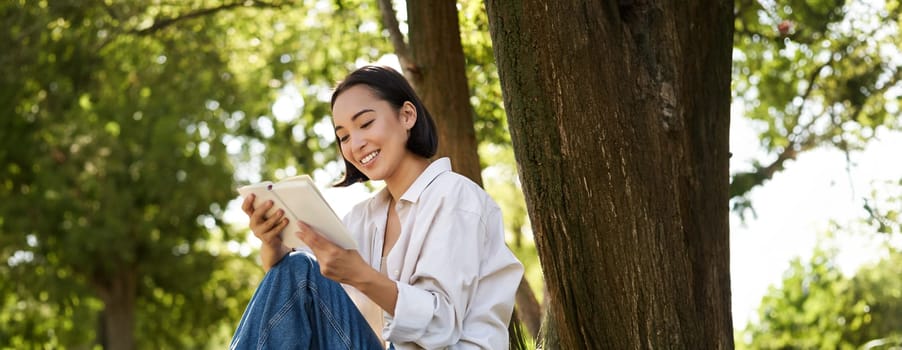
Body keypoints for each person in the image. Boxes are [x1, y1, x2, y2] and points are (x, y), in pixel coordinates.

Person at [230, 65, 524, 349]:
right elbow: (296, 297)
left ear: (407, 115)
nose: (355, 144)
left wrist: (360, 274)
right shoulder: (363, 217)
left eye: (366, 123)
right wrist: (273, 244)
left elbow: (441, 327)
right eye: (343, 136)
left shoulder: (456, 197)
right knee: (295, 267)